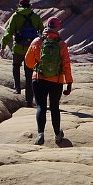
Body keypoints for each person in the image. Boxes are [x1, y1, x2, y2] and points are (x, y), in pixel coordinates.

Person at [24, 17, 73, 145]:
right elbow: (66, 64)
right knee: (54, 107)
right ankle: (57, 135)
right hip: (56, 80)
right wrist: (69, 83)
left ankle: (40, 135)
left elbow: (28, 62)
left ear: (46, 26)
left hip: (39, 79)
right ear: (57, 28)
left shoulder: (37, 41)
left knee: (41, 106)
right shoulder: (61, 44)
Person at [0, 0, 44, 106]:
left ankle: (17, 88)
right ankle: (29, 100)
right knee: (29, 74)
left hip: (18, 48)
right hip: (31, 49)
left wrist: (3, 46)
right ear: (29, 5)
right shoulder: (35, 16)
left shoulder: (15, 16)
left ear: (19, 5)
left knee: (16, 66)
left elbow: (9, 32)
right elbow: (42, 32)